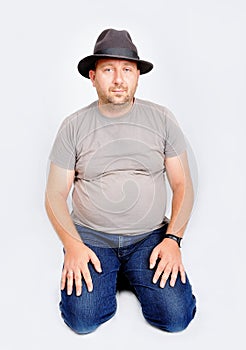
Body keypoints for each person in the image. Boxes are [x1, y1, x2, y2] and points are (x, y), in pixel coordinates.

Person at [45, 28, 196, 334]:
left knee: (176, 318)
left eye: (127, 69)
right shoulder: (73, 126)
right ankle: (114, 272)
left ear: (137, 75)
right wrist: (73, 246)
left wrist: (173, 240)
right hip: (92, 239)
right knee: (82, 320)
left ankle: (128, 270)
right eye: (108, 70)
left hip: (149, 238)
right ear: (92, 76)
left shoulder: (162, 119)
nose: (118, 79)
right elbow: (54, 195)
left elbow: (183, 184)